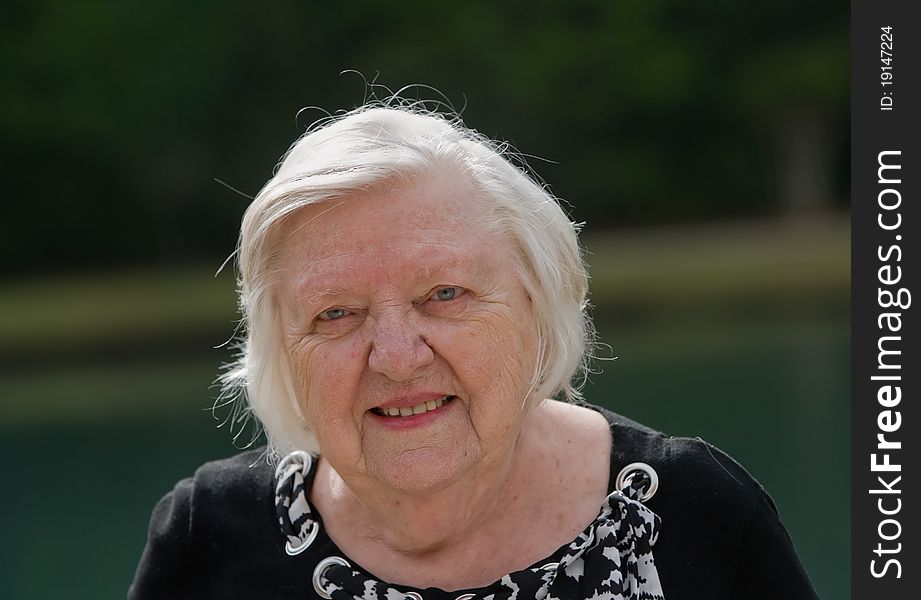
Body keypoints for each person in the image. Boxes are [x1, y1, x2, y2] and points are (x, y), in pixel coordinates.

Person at [129, 103, 819, 599]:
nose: (396, 358)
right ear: (282, 345)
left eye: (444, 295)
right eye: (336, 313)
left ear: (536, 302)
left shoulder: (694, 513)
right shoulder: (208, 535)